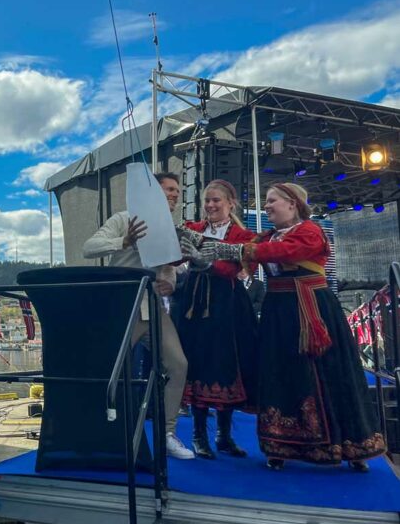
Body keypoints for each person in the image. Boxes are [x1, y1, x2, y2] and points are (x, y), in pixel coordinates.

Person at [200, 182, 386, 470]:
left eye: (273, 201)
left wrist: (239, 250)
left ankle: (346, 445)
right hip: (278, 312)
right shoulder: (269, 236)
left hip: (311, 310)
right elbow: (243, 254)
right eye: (267, 202)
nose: (267, 206)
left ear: (293, 204)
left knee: (329, 372)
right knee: (280, 372)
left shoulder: (310, 231)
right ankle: (282, 444)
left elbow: (282, 252)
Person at [83, 172, 194, 460]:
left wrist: (169, 280)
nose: (175, 195)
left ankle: (166, 433)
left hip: (153, 306)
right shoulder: (124, 218)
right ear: (152, 193)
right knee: (111, 369)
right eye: (168, 189)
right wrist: (124, 240)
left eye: (177, 191)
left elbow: (168, 269)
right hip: (123, 305)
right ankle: (99, 431)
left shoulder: (172, 229)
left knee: (178, 365)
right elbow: (89, 248)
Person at [176, 179, 257, 460]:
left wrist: (206, 261)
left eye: (216, 201)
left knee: (226, 362)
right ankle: (199, 435)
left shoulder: (242, 235)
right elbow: (174, 258)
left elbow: (237, 267)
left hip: (227, 304)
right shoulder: (194, 228)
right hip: (194, 303)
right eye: (207, 201)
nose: (210, 205)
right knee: (197, 362)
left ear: (230, 204)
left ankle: (224, 435)